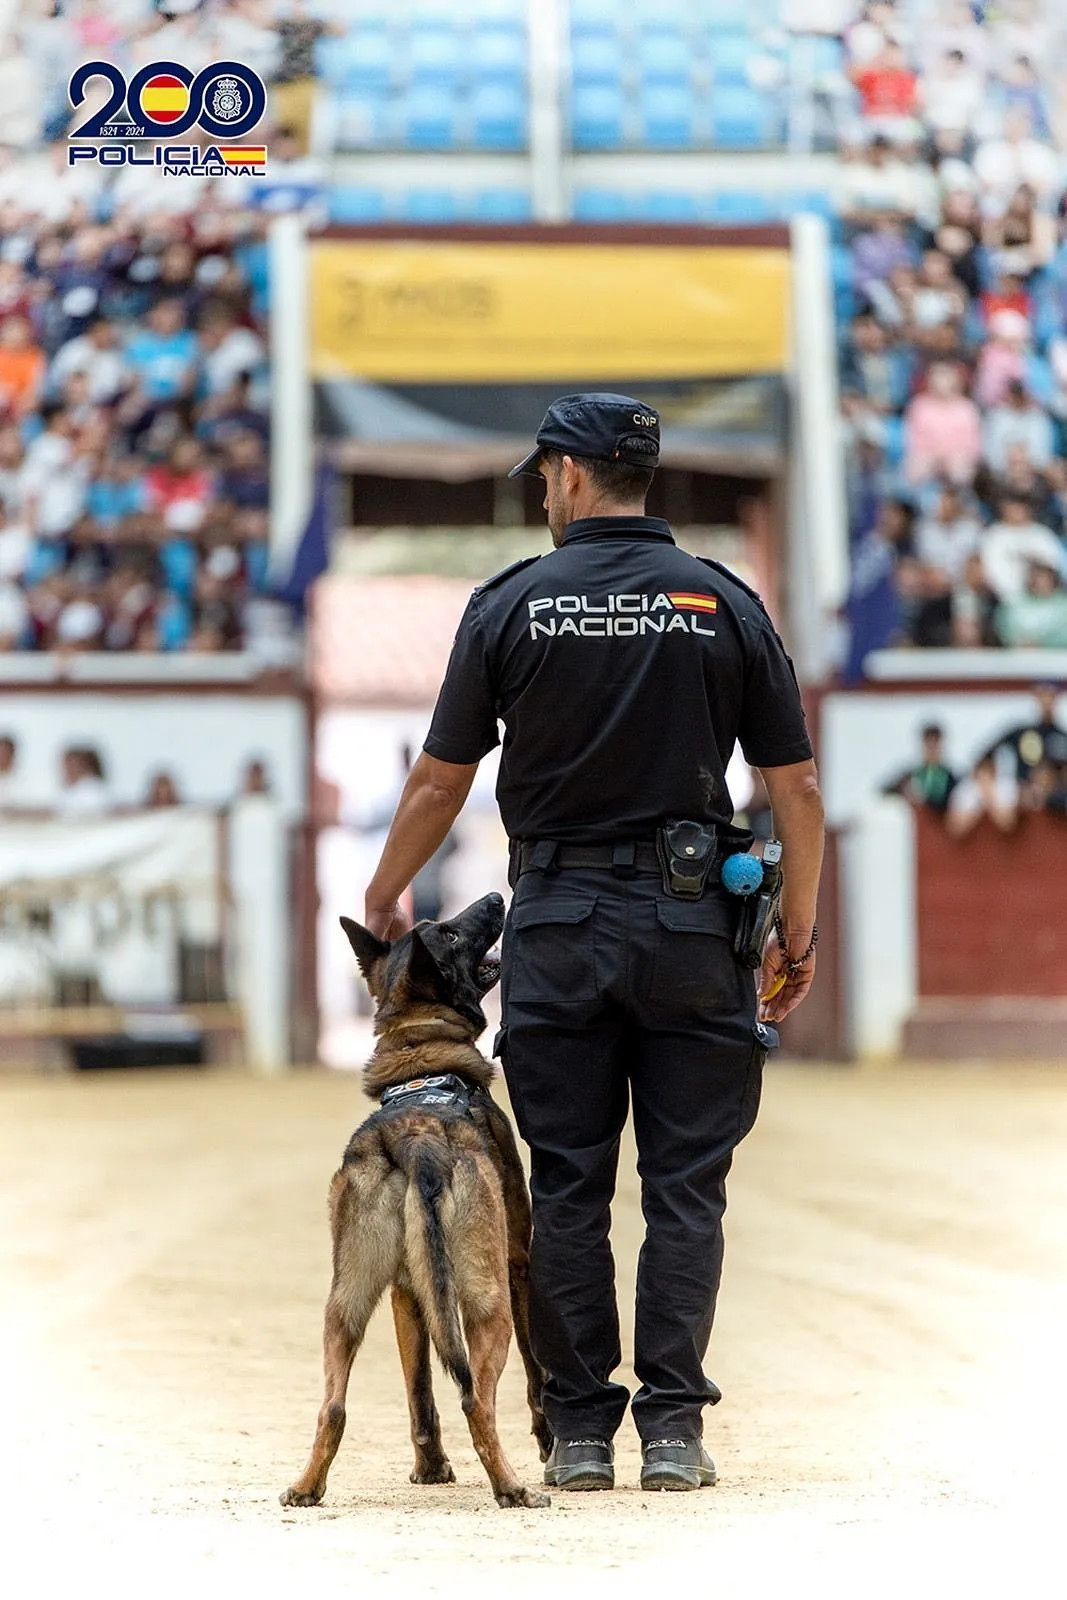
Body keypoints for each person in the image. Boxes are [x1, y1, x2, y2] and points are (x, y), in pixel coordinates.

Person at [360, 394, 824, 1494]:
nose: (539, 491)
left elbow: (439, 778)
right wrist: (796, 923)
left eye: (542, 476)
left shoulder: (511, 603)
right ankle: (671, 1429)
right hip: (689, 927)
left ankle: (575, 1433)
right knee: (685, 1188)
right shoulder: (721, 599)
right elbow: (793, 783)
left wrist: (385, 890)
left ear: (570, 477)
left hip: (561, 926)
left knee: (566, 1185)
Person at [980, 683, 1067, 784]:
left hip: (1056, 797)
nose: (1047, 701)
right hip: (1024, 793)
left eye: (1050, 696)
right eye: (1043, 696)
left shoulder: (1062, 737)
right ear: (1037, 698)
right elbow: (988, 753)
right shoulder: (1022, 733)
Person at [881, 723, 957, 813]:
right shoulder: (909, 776)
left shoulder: (952, 778)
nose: (931, 751)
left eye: (935, 745)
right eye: (928, 745)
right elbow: (885, 791)